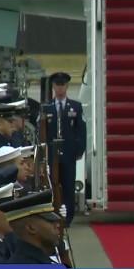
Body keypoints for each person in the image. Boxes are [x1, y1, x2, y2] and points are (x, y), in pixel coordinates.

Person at [43, 72, 86, 227]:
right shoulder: (46, 108)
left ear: (67, 86)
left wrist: (79, 150)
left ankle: (67, 217)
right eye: (57, 85)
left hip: (68, 153)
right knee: (53, 184)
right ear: (53, 87)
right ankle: (53, 214)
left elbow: (81, 130)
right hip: (52, 154)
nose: (59, 89)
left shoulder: (75, 106)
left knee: (68, 185)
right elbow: (41, 132)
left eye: (62, 85)